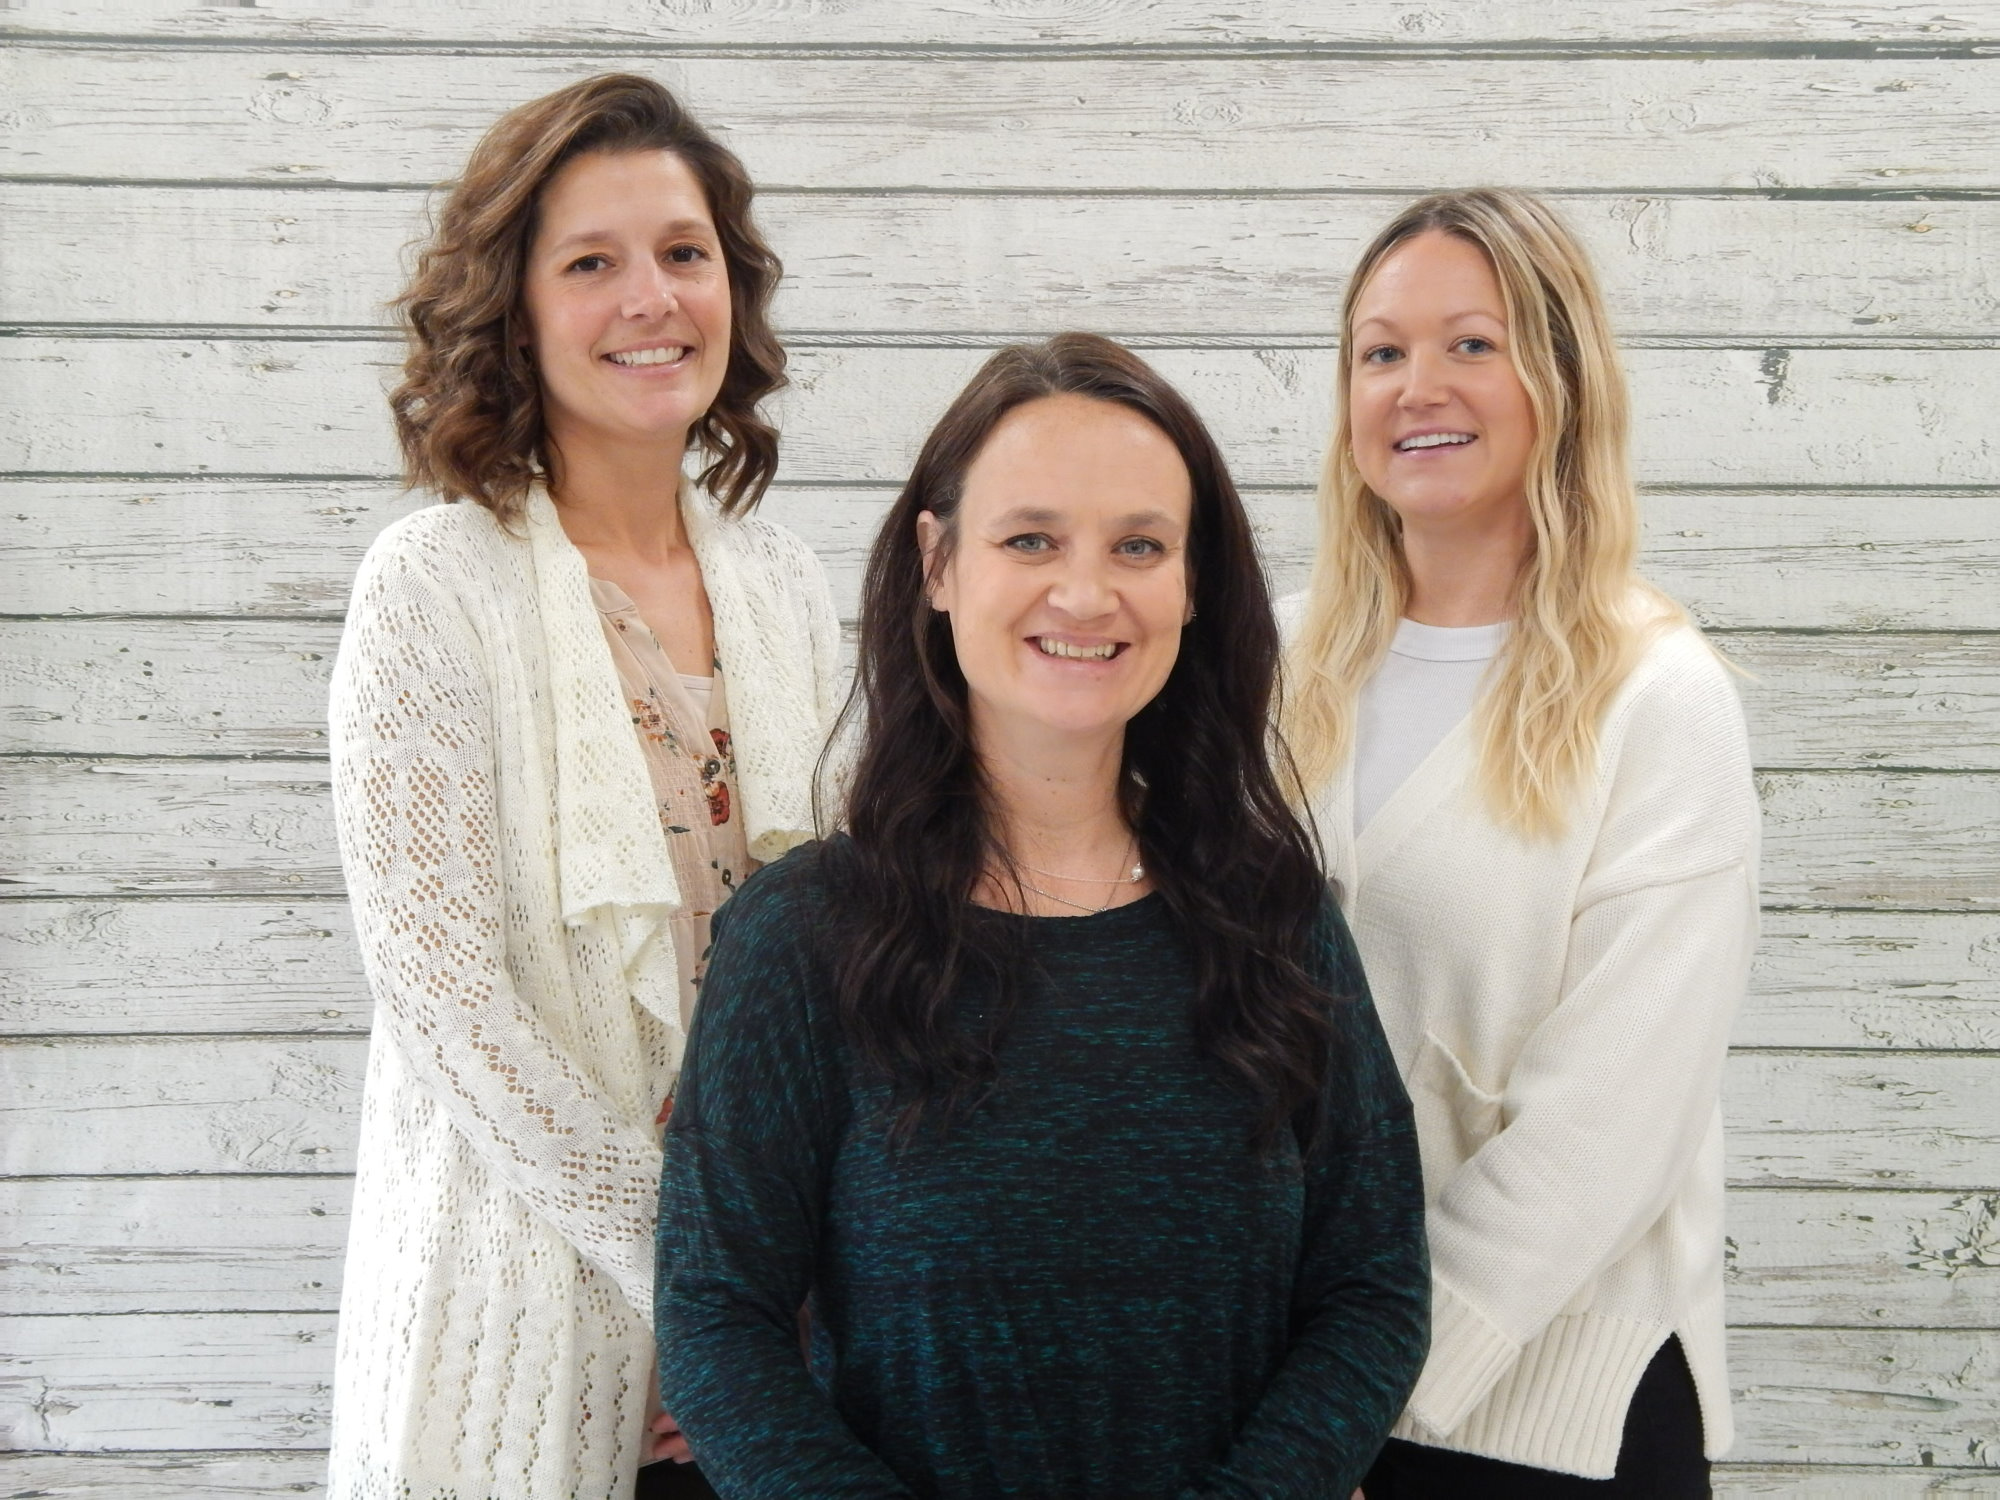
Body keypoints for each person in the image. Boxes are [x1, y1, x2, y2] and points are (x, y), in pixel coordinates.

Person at [652, 332, 1430, 1497]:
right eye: (1029, 540)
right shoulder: (801, 934)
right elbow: (718, 1320)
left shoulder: (1276, 919)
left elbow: (1371, 1293)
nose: (1084, 592)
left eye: (1138, 546)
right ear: (937, 561)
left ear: (1190, 582)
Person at [324, 74, 840, 1500]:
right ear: (517, 308)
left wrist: (783, 1290)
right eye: (591, 263)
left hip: (781, 1336)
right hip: (528, 1311)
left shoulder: (788, 590)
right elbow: (446, 1003)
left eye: (684, 253)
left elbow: (851, 955)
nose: (652, 299)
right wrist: (691, 1280)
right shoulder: (434, 589)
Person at [1282, 188, 1759, 1495]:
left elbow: (1614, 1125)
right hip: (1299, 1396)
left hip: (1544, 1414)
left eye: (1470, 344)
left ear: (1559, 375)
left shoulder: (1656, 698)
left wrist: (1374, 1377)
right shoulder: (1272, 663)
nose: (1416, 385)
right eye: (1380, 351)